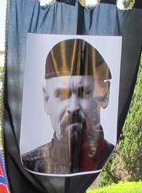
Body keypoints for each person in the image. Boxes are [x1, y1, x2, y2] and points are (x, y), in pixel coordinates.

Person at [21, 38, 115, 175]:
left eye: (83, 93)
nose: (72, 107)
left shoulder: (113, 162)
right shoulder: (30, 168)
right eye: (61, 95)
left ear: (105, 94)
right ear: (47, 100)